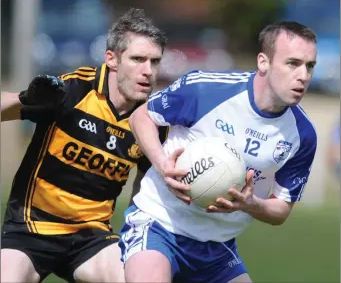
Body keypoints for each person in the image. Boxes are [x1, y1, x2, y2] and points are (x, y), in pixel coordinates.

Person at [119, 21, 318, 283]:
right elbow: (141, 117)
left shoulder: (303, 135)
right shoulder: (206, 89)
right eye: (292, 63)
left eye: (309, 66)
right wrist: (162, 163)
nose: (303, 75)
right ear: (263, 62)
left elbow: (281, 210)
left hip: (217, 248)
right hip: (159, 224)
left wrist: (251, 204)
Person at [1, 8, 167, 283]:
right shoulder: (74, 90)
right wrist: (24, 98)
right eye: (138, 59)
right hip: (30, 230)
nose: (148, 71)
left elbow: (144, 188)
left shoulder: (152, 121)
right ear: (111, 59)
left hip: (92, 238)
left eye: (155, 61)